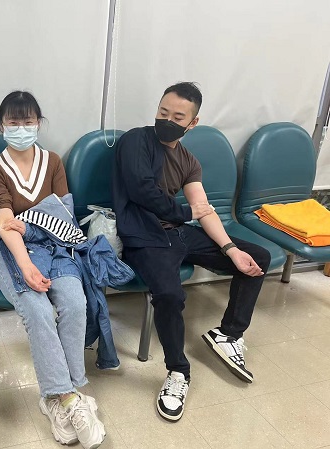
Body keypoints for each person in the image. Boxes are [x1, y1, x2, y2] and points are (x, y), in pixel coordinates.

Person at [112, 82, 271, 422]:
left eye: (177, 117)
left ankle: (228, 334)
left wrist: (230, 249)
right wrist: (185, 212)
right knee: (169, 295)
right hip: (145, 237)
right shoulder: (136, 141)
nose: (167, 120)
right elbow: (141, 191)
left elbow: (203, 208)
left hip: (179, 233)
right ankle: (178, 372)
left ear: (193, 123)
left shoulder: (188, 161)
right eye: (163, 112)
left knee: (257, 257)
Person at [0, 91, 106, 448]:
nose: (21, 128)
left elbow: (63, 215)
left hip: (55, 245)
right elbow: (6, 223)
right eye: (13, 121)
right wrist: (25, 267)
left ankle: (59, 395)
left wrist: (34, 227)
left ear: (38, 123)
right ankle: (69, 399)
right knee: (37, 310)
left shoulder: (52, 162)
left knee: (76, 303)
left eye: (28, 121)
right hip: (8, 249)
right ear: (1, 126)